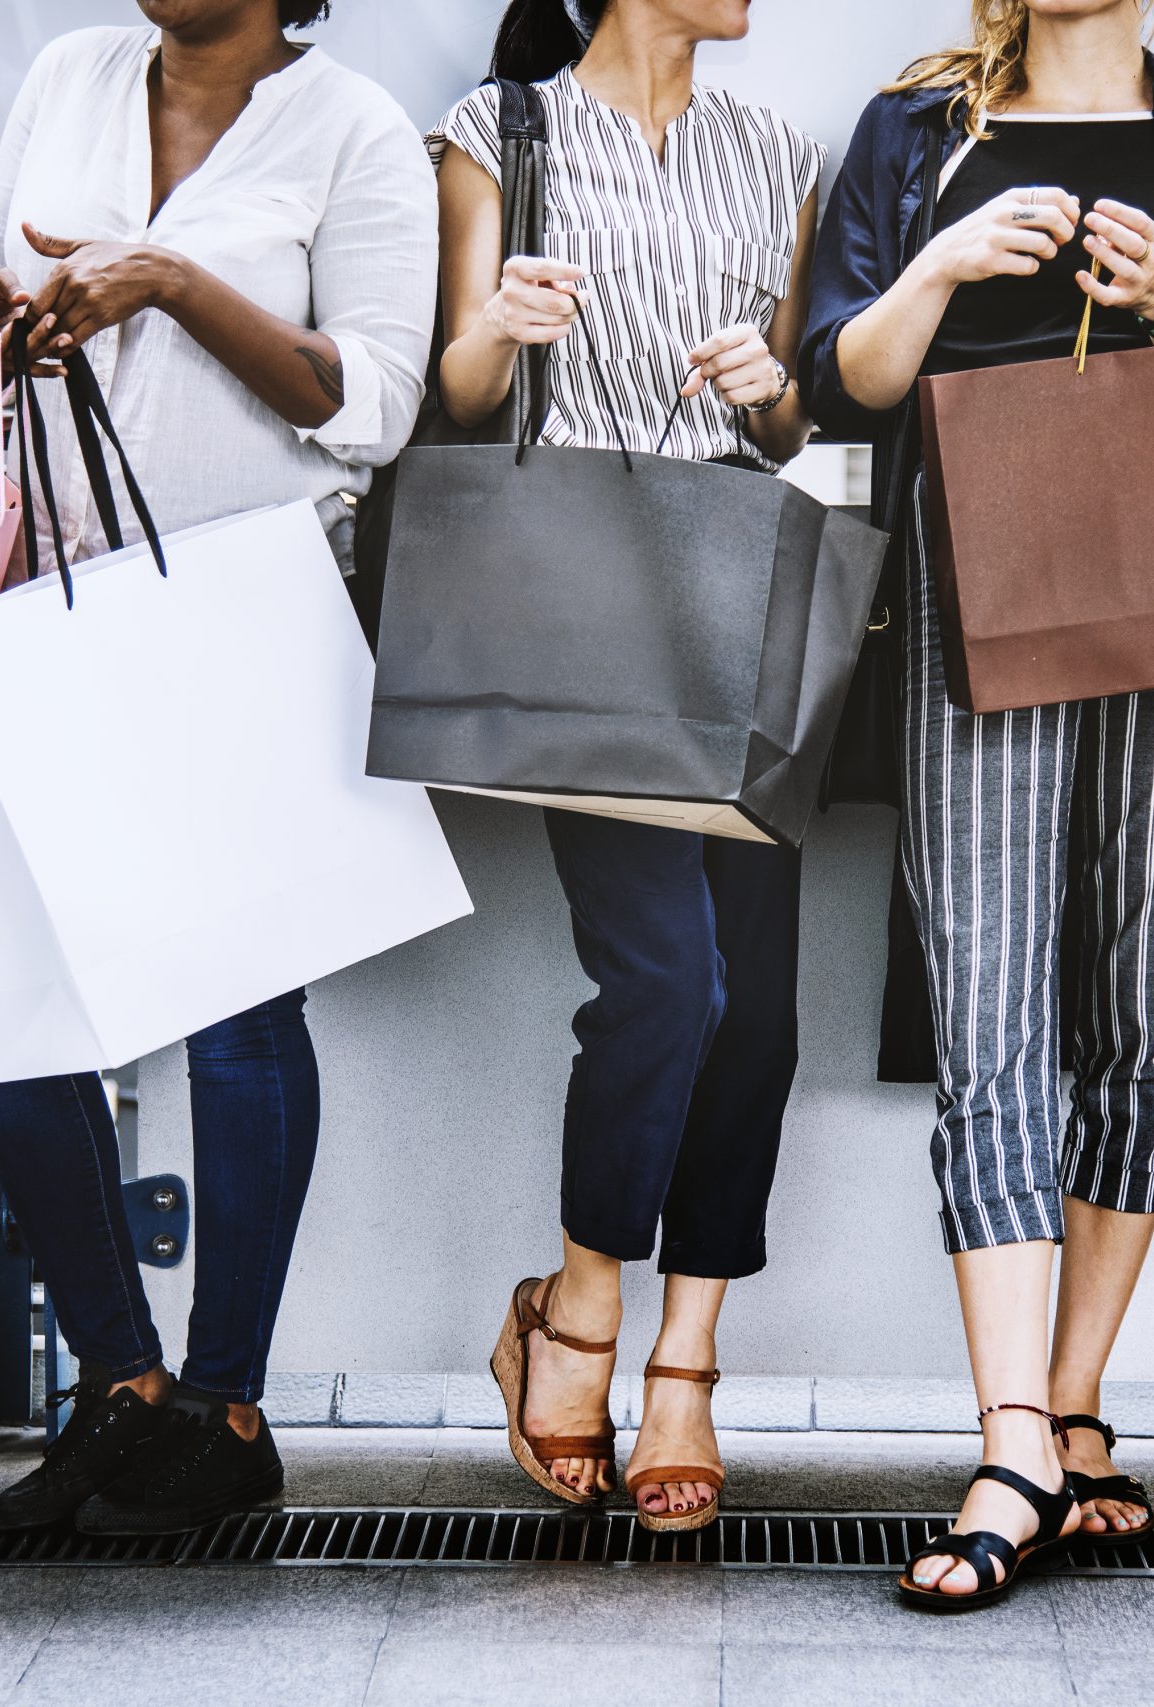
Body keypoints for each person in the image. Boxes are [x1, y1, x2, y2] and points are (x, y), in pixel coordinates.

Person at [801, 0, 1154, 1607]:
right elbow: (837, 385)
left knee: (1139, 1011)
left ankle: (1077, 1404)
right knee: (993, 1006)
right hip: (978, 594)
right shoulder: (917, 131)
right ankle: (1011, 1436)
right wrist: (941, 269)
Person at [0, 0, 436, 1535]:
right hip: (41, 602)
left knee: (233, 1011)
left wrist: (167, 281)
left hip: (244, 613)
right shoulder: (70, 73)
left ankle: (226, 1406)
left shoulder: (353, 131)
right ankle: (120, 1384)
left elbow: (375, 404)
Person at [435, 0, 823, 1531]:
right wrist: (503, 330)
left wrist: (762, 387)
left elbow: (794, 422)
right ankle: (580, 1296)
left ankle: (687, 1361)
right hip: (579, 597)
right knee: (671, 983)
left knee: (764, 1010)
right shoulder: (496, 133)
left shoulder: (779, 150)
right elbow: (461, 397)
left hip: (735, 593)